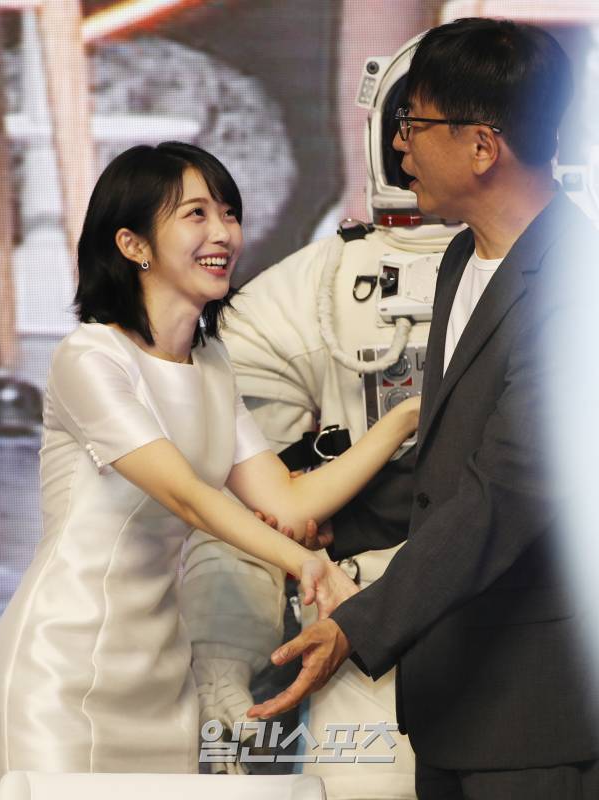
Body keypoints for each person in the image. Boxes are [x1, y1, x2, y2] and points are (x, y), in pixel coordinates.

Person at [249, 19, 599, 800]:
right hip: (450, 705)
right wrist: (340, 521)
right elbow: (452, 462)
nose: (398, 143)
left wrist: (356, 625)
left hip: (536, 715)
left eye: (415, 121)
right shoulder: (459, 258)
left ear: (482, 146)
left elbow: (505, 495)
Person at [0, 141, 421, 777]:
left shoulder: (211, 363)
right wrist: (308, 564)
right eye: (195, 214)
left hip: (164, 675)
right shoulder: (89, 358)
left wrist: (406, 418)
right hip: (64, 662)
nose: (223, 233)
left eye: (229, 213)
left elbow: (287, 502)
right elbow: (188, 497)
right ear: (132, 244)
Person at [181, 34, 461, 798]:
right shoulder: (312, 289)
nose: (407, 147)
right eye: (408, 124)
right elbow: (248, 503)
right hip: (364, 612)